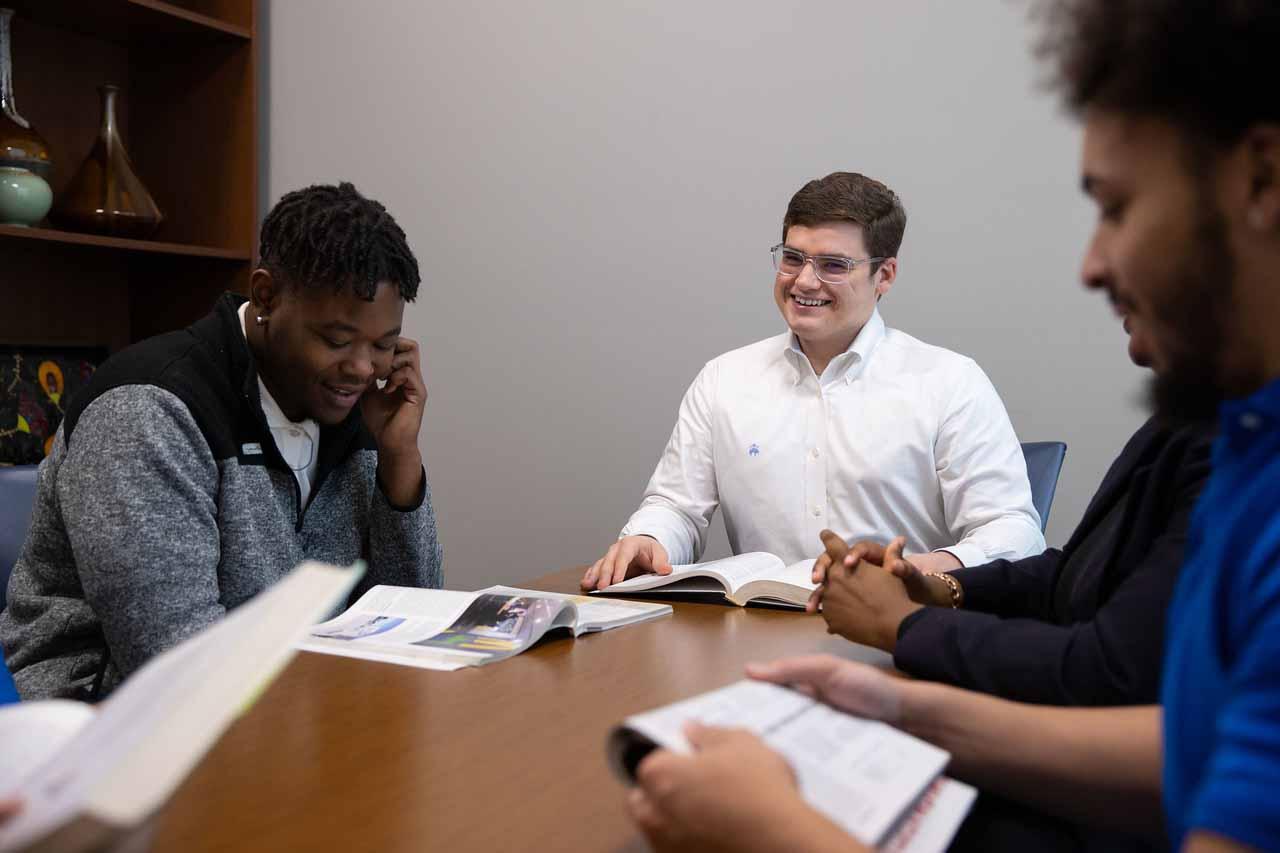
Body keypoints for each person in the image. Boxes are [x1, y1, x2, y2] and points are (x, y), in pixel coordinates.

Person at [626, 1, 1280, 851]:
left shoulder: (952, 383)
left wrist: (771, 827)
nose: (1092, 263)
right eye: (792, 257)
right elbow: (1189, 753)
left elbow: (1104, 661)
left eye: (1116, 207)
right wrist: (900, 698)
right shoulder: (1236, 439)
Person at [0, 182, 443, 701]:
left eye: (383, 345)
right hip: (106, 721)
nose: (363, 368)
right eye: (336, 340)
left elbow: (411, 618)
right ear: (265, 296)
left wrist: (399, 459)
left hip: (292, 706)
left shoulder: (351, 400)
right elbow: (172, 661)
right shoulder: (149, 412)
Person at [583, 172, 1044, 592]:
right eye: (792, 258)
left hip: (900, 633)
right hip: (757, 638)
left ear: (884, 274)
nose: (804, 281)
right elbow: (677, 506)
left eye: (833, 265)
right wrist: (650, 537)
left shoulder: (950, 382)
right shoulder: (724, 379)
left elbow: (1014, 531)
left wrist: (928, 566)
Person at [811, 411, 1213, 706]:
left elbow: (1109, 671)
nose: (1101, 290)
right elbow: (1071, 578)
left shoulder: (1242, 449)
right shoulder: (1183, 421)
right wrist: (937, 587)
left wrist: (900, 623)